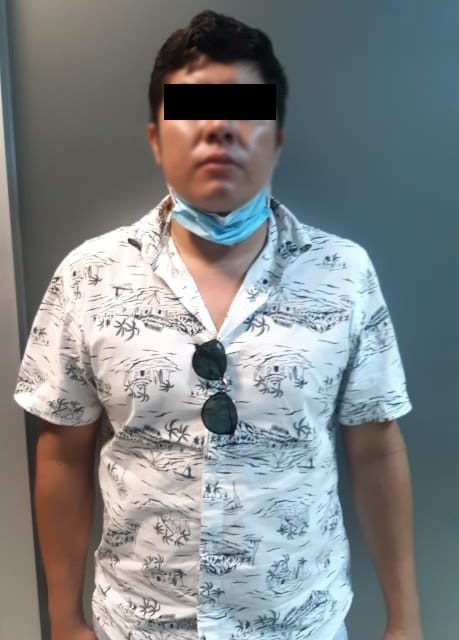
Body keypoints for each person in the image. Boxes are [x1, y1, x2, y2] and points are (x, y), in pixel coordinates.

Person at [14, 10, 423, 640]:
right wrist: (64, 620)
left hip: (301, 624)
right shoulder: (88, 277)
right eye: (191, 111)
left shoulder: (344, 274)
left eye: (246, 112)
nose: (219, 128)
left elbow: (376, 448)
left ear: (277, 140)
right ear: (156, 138)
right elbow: (63, 453)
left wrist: (406, 619)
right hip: (138, 625)